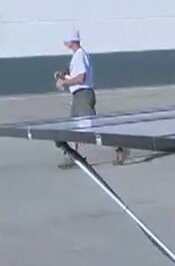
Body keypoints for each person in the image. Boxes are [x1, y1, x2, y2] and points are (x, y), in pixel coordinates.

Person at [55, 30, 128, 168]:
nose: (65, 43)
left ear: (71, 41)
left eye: (66, 40)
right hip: (78, 96)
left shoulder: (80, 56)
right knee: (74, 128)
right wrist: (64, 74)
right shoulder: (78, 56)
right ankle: (73, 156)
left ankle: (120, 148)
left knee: (93, 129)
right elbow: (76, 73)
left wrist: (64, 82)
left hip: (83, 95)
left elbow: (81, 78)